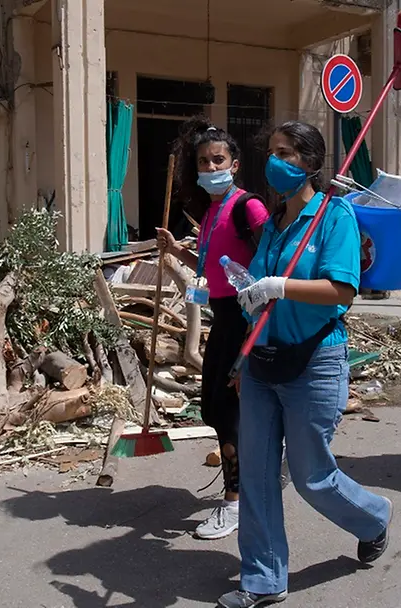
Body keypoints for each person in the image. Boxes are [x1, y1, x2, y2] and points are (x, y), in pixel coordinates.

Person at [217, 121, 392, 608]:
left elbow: (342, 291)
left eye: (288, 152)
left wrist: (279, 286)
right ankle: (263, 579)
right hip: (261, 363)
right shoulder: (272, 225)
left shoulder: (334, 217)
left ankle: (373, 517)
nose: (277, 161)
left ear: (311, 163)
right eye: (273, 151)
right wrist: (250, 307)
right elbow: (261, 297)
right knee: (255, 474)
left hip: (315, 361)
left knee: (312, 475)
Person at [155, 117, 270, 541]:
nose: (210, 167)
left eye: (217, 159)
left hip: (244, 319)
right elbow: (212, 271)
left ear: (235, 164)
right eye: (203, 162)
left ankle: (235, 502)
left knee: (226, 410)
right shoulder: (211, 213)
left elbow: (271, 260)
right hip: (221, 316)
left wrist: (257, 320)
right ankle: (250, 486)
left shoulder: (247, 207)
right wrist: (176, 252)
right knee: (217, 409)